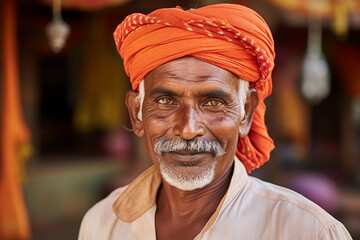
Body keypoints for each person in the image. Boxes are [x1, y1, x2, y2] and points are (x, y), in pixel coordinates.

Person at [78, 4, 352, 240]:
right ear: (136, 113)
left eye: (213, 103)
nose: (188, 128)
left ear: (246, 113)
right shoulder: (102, 224)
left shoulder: (309, 231)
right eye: (165, 101)